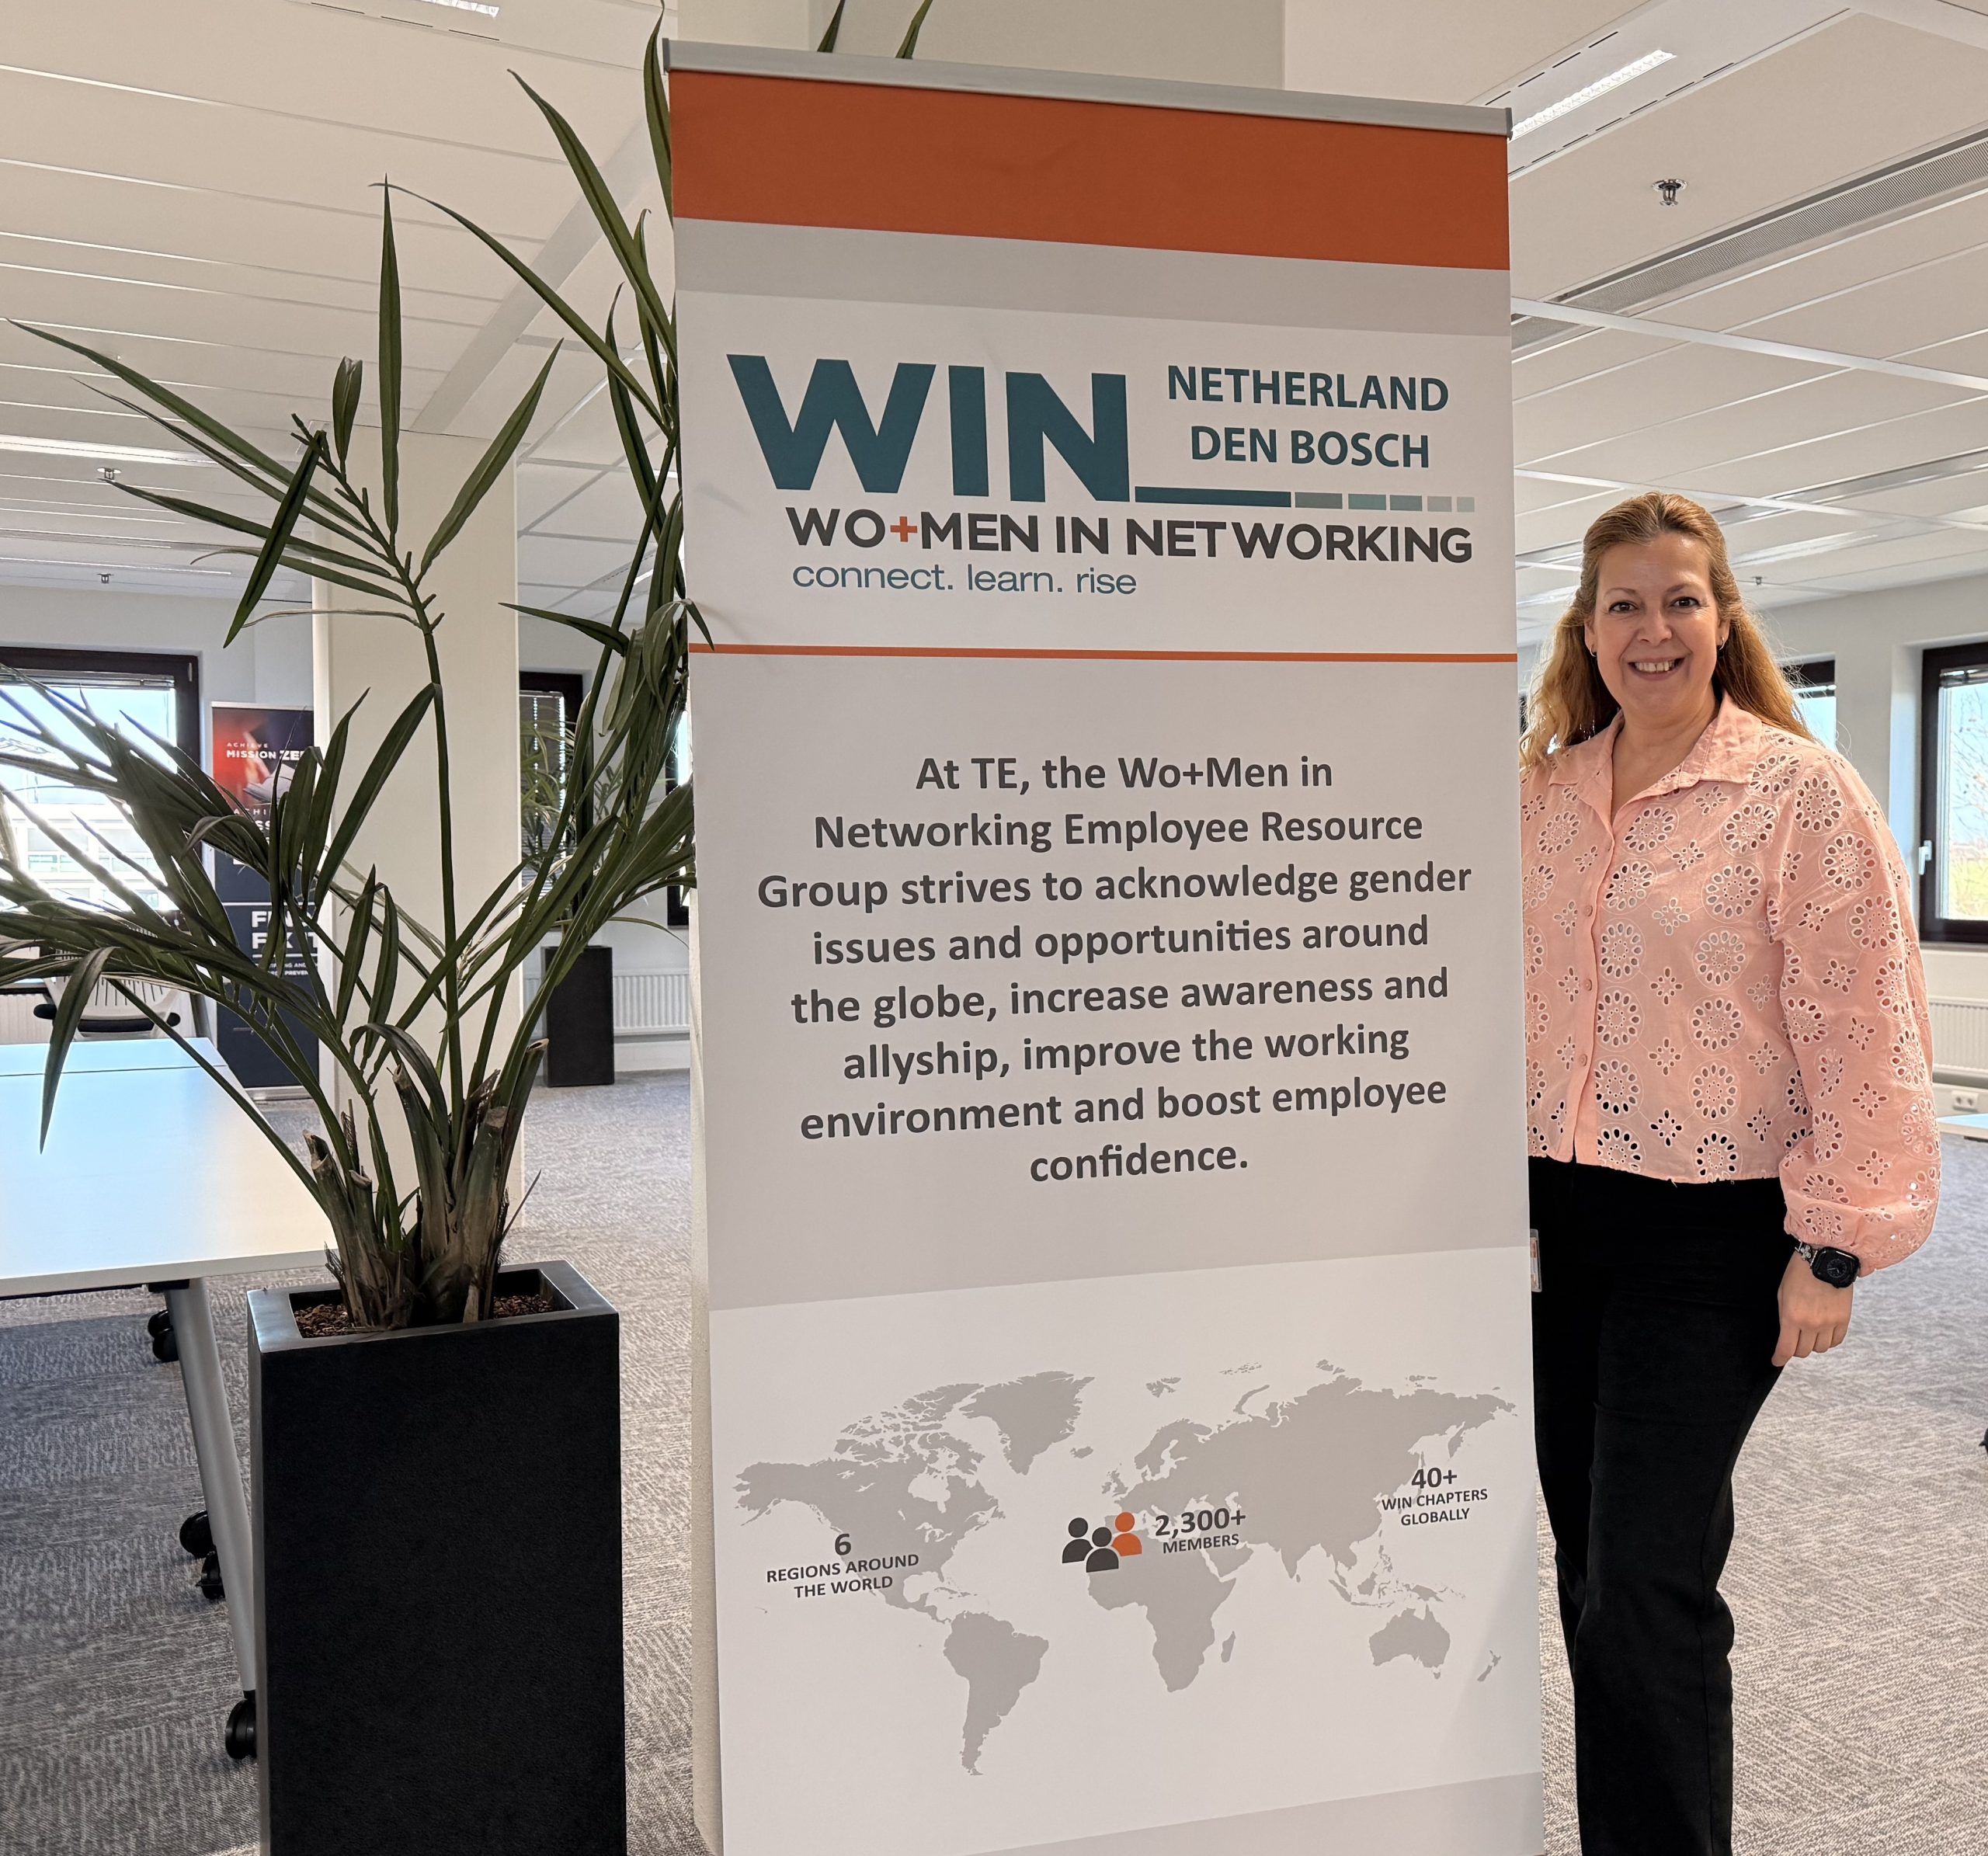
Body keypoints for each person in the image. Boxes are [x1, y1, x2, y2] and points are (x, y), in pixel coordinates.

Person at [1517, 492, 1938, 1856]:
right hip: (1562, 1219)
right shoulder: (1547, 789)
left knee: (1643, 1581)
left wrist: (1833, 1249)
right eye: (1625, 603)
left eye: (1682, 599)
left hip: (1714, 1231)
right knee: (1593, 1568)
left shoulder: (1796, 792)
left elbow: (1862, 1022)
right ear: (1586, 626)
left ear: (1724, 618)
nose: (1655, 629)